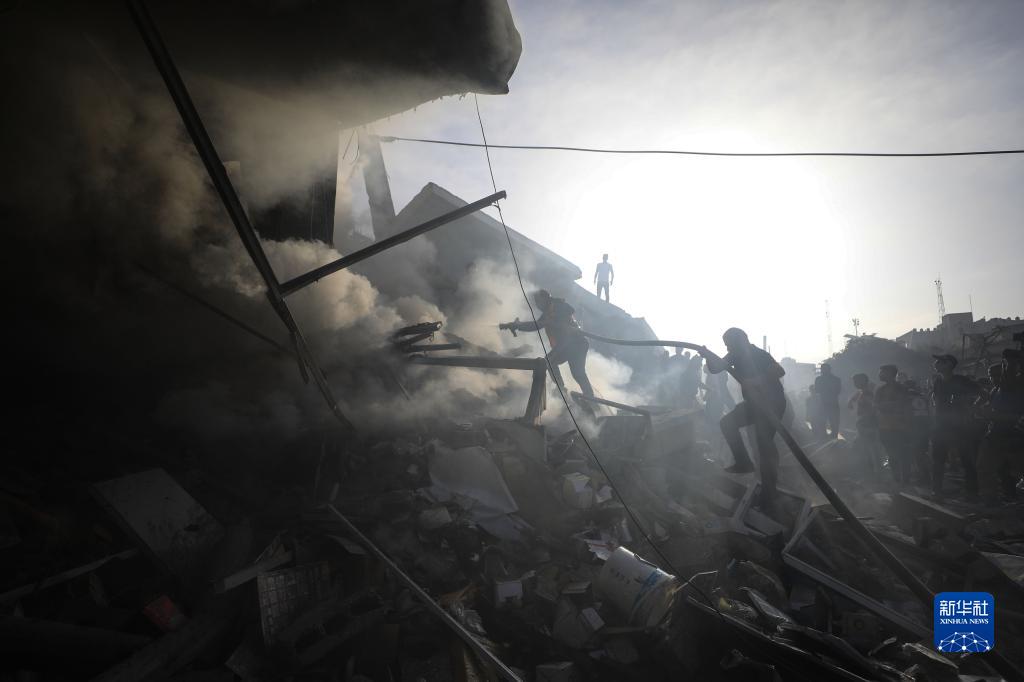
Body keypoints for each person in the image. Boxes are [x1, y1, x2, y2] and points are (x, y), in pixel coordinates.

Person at [700, 327, 787, 504]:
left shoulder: (758, 354)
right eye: (726, 345)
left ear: (741, 341)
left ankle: (770, 491)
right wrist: (707, 355)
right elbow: (715, 368)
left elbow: (779, 371)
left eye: (729, 344)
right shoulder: (734, 355)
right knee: (727, 423)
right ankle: (743, 462)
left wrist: (755, 381)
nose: (727, 348)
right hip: (754, 404)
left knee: (764, 445)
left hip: (772, 404)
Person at [500, 289, 594, 399]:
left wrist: (553, 321)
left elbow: (570, 310)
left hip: (575, 343)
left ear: (545, 298)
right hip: (569, 345)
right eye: (535, 301)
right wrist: (518, 326)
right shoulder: (548, 313)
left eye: (538, 301)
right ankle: (564, 390)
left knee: (573, 371)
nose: (537, 304)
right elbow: (536, 325)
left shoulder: (557, 306)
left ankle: (585, 396)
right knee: (560, 366)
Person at [929, 354, 981, 500]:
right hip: (941, 426)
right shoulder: (938, 381)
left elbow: (982, 393)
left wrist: (971, 407)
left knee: (966, 460)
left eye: (940, 361)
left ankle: (972, 492)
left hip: (959, 427)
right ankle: (936, 491)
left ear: (949, 364)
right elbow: (935, 400)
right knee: (938, 460)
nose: (936, 363)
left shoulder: (961, 380)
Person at [976, 350, 1024, 501]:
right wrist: (982, 411)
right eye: (991, 375)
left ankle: (1008, 497)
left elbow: (1017, 417)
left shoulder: (1017, 390)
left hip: (1013, 436)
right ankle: (992, 500)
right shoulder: (995, 390)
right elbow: (989, 408)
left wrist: (994, 416)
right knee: (986, 467)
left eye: (997, 375)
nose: (993, 378)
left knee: (1013, 471)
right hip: (995, 434)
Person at [875, 364, 913, 485]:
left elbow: (906, 407)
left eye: (882, 372)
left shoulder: (901, 389)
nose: (879, 374)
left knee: (903, 453)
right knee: (891, 454)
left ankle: (905, 479)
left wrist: (908, 425)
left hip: (900, 427)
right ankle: (896, 478)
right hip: (884, 427)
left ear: (890, 373)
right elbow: (876, 406)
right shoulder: (880, 390)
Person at [847, 373, 882, 479]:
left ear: (862, 381)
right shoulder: (862, 391)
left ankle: (876, 472)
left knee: (870, 447)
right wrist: (850, 401)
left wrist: (865, 419)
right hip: (864, 423)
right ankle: (872, 471)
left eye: (856, 381)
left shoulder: (868, 393)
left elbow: (873, 408)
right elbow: (856, 396)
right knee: (866, 447)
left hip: (868, 423)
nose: (854, 384)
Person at [814, 363, 842, 438]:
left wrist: (824, 389)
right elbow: (838, 391)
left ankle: (827, 438)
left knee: (824, 422)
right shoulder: (836, 379)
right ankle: (832, 438)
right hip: (831, 403)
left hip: (825, 403)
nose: (822, 371)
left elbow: (816, 390)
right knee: (833, 422)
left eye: (823, 369)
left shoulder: (819, 379)